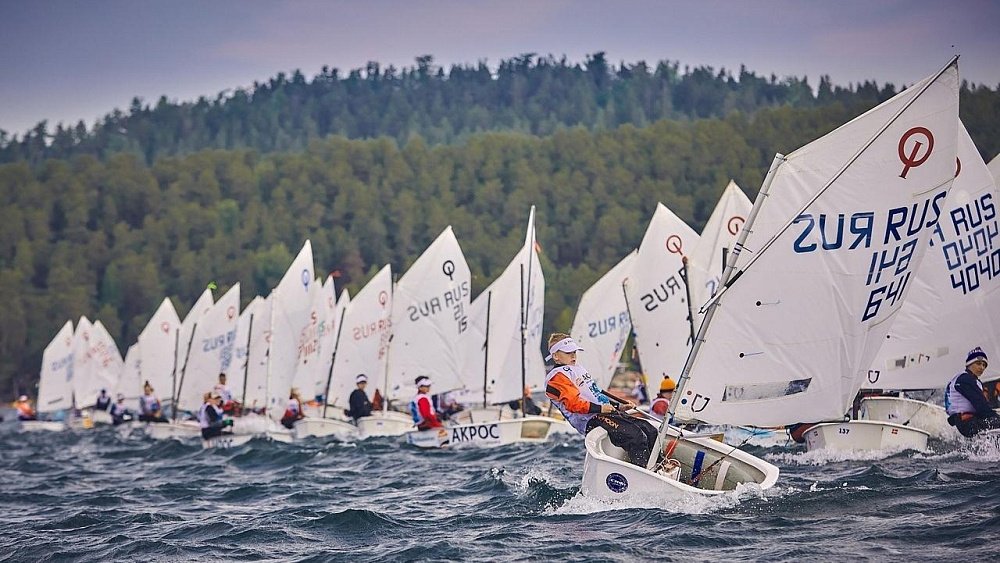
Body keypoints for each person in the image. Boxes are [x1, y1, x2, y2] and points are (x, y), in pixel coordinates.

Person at [544, 332, 659, 466]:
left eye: (574, 352)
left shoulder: (577, 369)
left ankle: (658, 466)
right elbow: (573, 404)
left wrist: (618, 406)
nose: (573, 355)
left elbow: (596, 394)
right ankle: (644, 472)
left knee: (650, 430)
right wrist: (600, 408)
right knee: (635, 436)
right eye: (568, 352)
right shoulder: (556, 378)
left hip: (603, 413)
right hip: (590, 419)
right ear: (556, 356)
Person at [945, 347, 1000, 438]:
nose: (982, 367)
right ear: (969, 364)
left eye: (984, 365)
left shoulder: (975, 381)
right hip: (967, 423)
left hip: (972, 420)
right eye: (978, 364)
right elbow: (981, 405)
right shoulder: (964, 379)